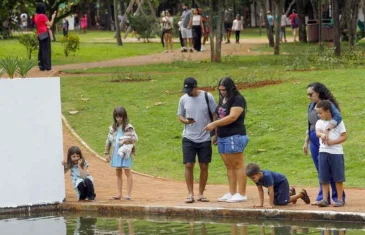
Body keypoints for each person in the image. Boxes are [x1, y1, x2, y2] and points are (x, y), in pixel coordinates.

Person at [204, 77, 248, 203]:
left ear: (230, 88)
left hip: (235, 135)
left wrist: (214, 124)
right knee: (229, 166)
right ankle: (232, 192)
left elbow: (232, 117)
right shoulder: (223, 100)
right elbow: (220, 114)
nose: (222, 92)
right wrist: (216, 134)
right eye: (220, 90)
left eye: (224, 90)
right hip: (223, 136)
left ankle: (242, 193)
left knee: (238, 165)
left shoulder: (238, 99)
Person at [303, 82, 345, 205]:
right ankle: (323, 197)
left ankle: (339, 197)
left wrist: (327, 129)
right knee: (321, 170)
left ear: (318, 93)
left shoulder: (328, 105)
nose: (309, 97)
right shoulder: (311, 106)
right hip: (314, 139)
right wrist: (306, 141)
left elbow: (338, 117)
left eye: (311, 94)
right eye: (308, 95)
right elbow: (310, 124)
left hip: (326, 140)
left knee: (333, 170)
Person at [177, 77, 217, 203]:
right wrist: (186, 121)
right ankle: (190, 194)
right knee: (189, 164)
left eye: (190, 89)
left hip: (204, 136)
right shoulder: (183, 99)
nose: (187, 92)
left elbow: (215, 114)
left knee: (204, 165)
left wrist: (214, 132)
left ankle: (200, 193)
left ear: (195, 87)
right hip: (188, 137)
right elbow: (180, 115)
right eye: (186, 89)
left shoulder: (207, 96)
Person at [315, 100, 347, 207]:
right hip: (323, 151)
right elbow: (318, 132)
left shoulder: (338, 122)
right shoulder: (319, 122)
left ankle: (339, 199)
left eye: (320, 113)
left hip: (336, 152)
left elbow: (344, 136)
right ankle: (324, 199)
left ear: (328, 111)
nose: (319, 115)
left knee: (338, 177)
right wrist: (322, 135)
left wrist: (332, 142)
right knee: (324, 177)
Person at [105, 106, 138, 200]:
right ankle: (119, 193)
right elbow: (108, 140)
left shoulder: (129, 127)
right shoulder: (113, 128)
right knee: (118, 172)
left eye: (120, 117)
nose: (118, 119)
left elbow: (134, 138)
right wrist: (107, 153)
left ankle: (128, 194)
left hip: (125, 153)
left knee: (127, 171)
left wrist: (125, 141)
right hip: (116, 152)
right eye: (117, 117)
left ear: (124, 116)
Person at [246, 163, 310, 209]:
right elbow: (260, 191)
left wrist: (270, 204)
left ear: (259, 173)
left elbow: (271, 191)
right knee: (276, 202)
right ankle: (290, 192)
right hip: (275, 186)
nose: (252, 180)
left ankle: (301, 194)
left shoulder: (267, 176)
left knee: (282, 202)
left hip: (282, 182)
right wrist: (261, 204)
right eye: (251, 178)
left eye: (253, 178)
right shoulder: (256, 179)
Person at [34, 2, 56, 71]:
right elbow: (50, 24)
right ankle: (47, 67)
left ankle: (41, 66)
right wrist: (53, 17)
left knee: (41, 51)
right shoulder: (43, 16)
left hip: (39, 34)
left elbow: (41, 24)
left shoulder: (36, 16)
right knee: (46, 51)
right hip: (45, 35)